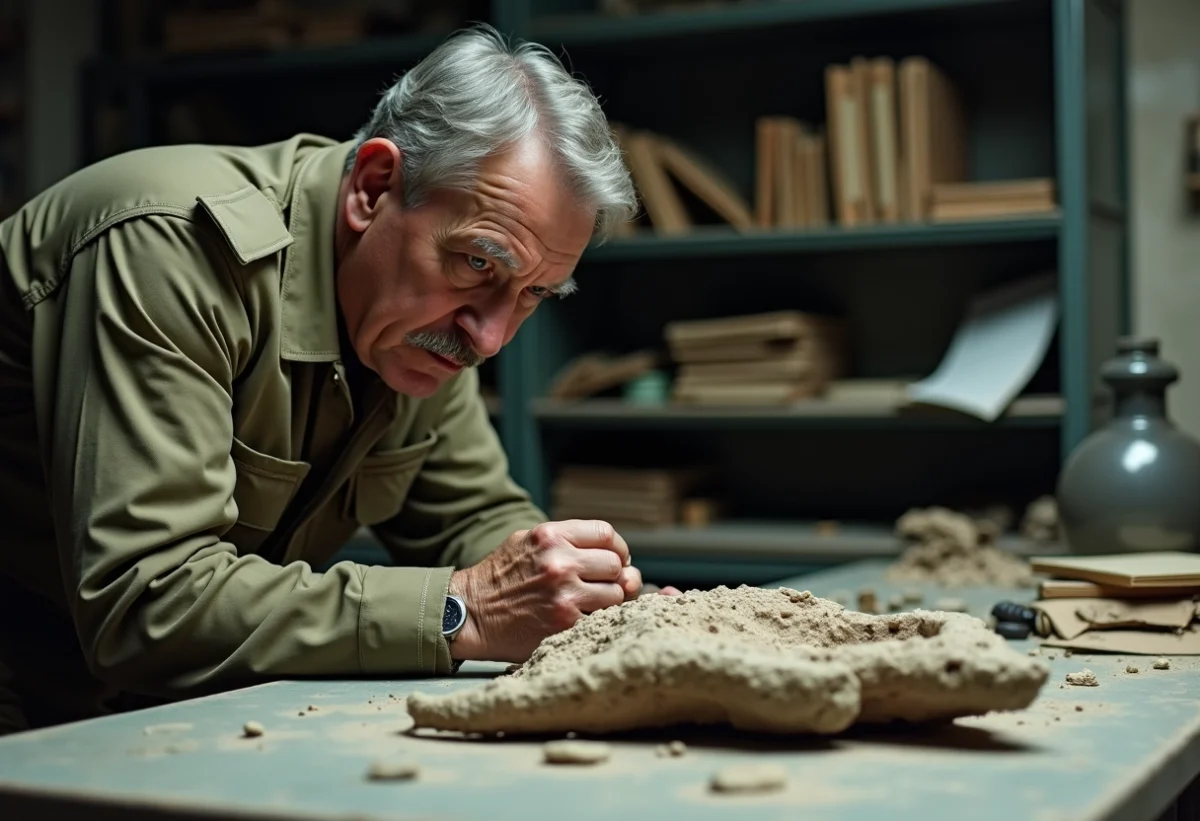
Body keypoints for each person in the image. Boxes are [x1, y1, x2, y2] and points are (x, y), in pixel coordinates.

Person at [0, 23, 678, 736]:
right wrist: (465, 608)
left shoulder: (420, 316)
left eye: (535, 294)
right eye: (479, 264)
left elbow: (470, 520)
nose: (492, 336)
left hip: (134, 689)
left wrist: (588, 602)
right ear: (373, 186)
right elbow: (150, 601)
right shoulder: (168, 245)